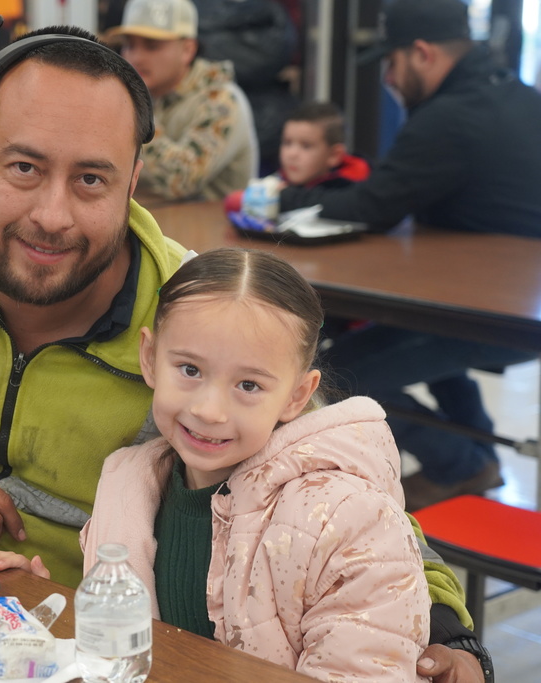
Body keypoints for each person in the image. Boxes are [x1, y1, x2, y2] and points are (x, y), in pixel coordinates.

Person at [0, 24, 489, 682]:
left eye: (92, 180)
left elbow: (337, 484)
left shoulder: (196, 320)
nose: (53, 216)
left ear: (135, 178)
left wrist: (451, 631)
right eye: (23, 167)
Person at [0, 247, 432, 681]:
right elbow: (135, 655)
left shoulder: (348, 520)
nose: (210, 410)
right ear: (151, 359)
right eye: (191, 370)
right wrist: (55, 610)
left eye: (249, 385)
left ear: (297, 395)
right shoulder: (128, 484)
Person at [279, 0, 541, 511]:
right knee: (433, 359)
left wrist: (280, 198)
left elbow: (371, 205)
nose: (390, 79)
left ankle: (461, 466)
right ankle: (479, 458)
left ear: (421, 53)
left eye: (392, 64)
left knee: (330, 378)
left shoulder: (449, 116)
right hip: (511, 303)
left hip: (478, 311)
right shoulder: (520, 96)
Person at [105, 0, 258, 201]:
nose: (135, 57)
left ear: (187, 50)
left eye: (152, 46)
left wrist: (134, 113)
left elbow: (181, 179)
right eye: (129, 45)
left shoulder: (222, 101)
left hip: (208, 230)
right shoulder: (147, 92)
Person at [224, 100, 370, 214]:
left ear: (334, 155)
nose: (292, 154)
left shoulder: (352, 192)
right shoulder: (278, 181)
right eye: (287, 143)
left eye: (306, 146)